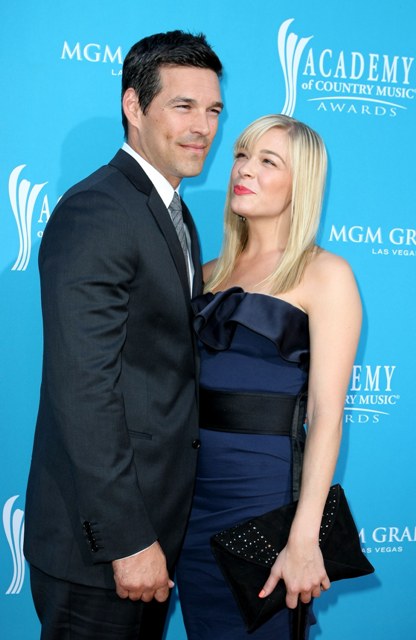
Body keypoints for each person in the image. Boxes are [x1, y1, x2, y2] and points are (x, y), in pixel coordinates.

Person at [24, 30, 223, 640]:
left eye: (213, 110)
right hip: (103, 550)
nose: (203, 127)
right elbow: (84, 389)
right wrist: (129, 540)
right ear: (134, 107)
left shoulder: (173, 211)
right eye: (183, 106)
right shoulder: (100, 210)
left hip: (154, 530)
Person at [176, 114, 362, 639]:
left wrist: (304, 537)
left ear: (300, 183)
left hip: (261, 500)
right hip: (187, 502)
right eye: (241, 155)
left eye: (267, 161)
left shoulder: (326, 274)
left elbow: (326, 416)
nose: (244, 169)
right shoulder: (204, 274)